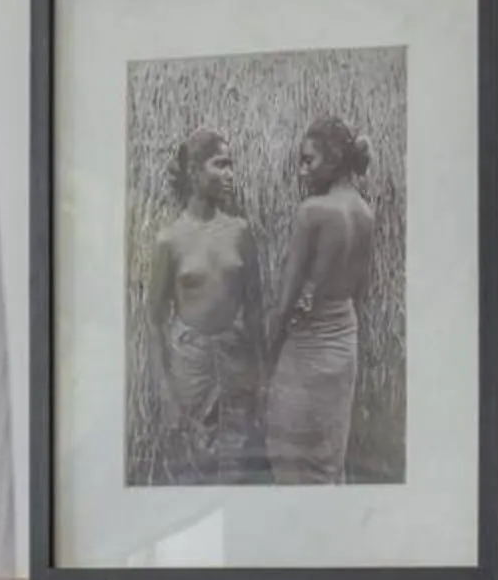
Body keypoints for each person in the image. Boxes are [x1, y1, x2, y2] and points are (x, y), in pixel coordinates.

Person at [139, 130, 265, 482]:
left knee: (236, 467)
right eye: (220, 164)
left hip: (235, 365)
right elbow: (154, 320)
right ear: (194, 171)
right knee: (192, 471)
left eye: (231, 165)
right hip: (190, 371)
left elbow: (255, 309)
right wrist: (164, 390)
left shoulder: (240, 232)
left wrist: (262, 376)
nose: (230, 173)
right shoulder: (170, 240)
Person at [263, 114, 376, 484]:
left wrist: (267, 357)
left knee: (291, 461)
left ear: (334, 160)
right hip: (344, 347)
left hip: (306, 352)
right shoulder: (365, 214)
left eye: (307, 160)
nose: (300, 171)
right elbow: (360, 292)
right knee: (328, 462)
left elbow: (284, 302)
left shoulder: (312, 212)